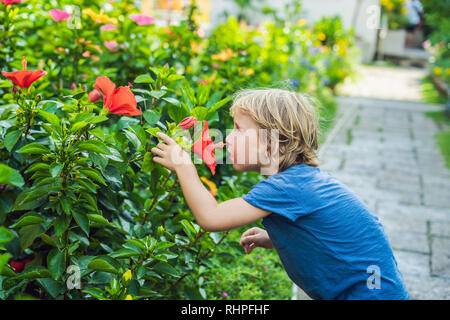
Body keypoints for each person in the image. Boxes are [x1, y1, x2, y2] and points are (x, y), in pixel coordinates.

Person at [150, 88, 410, 300]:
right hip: (376, 287)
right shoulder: (298, 181)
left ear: (273, 142)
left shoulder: (286, 187)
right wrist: (275, 236)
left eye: (239, 130)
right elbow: (325, 234)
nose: (228, 138)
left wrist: (184, 165)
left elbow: (211, 218)